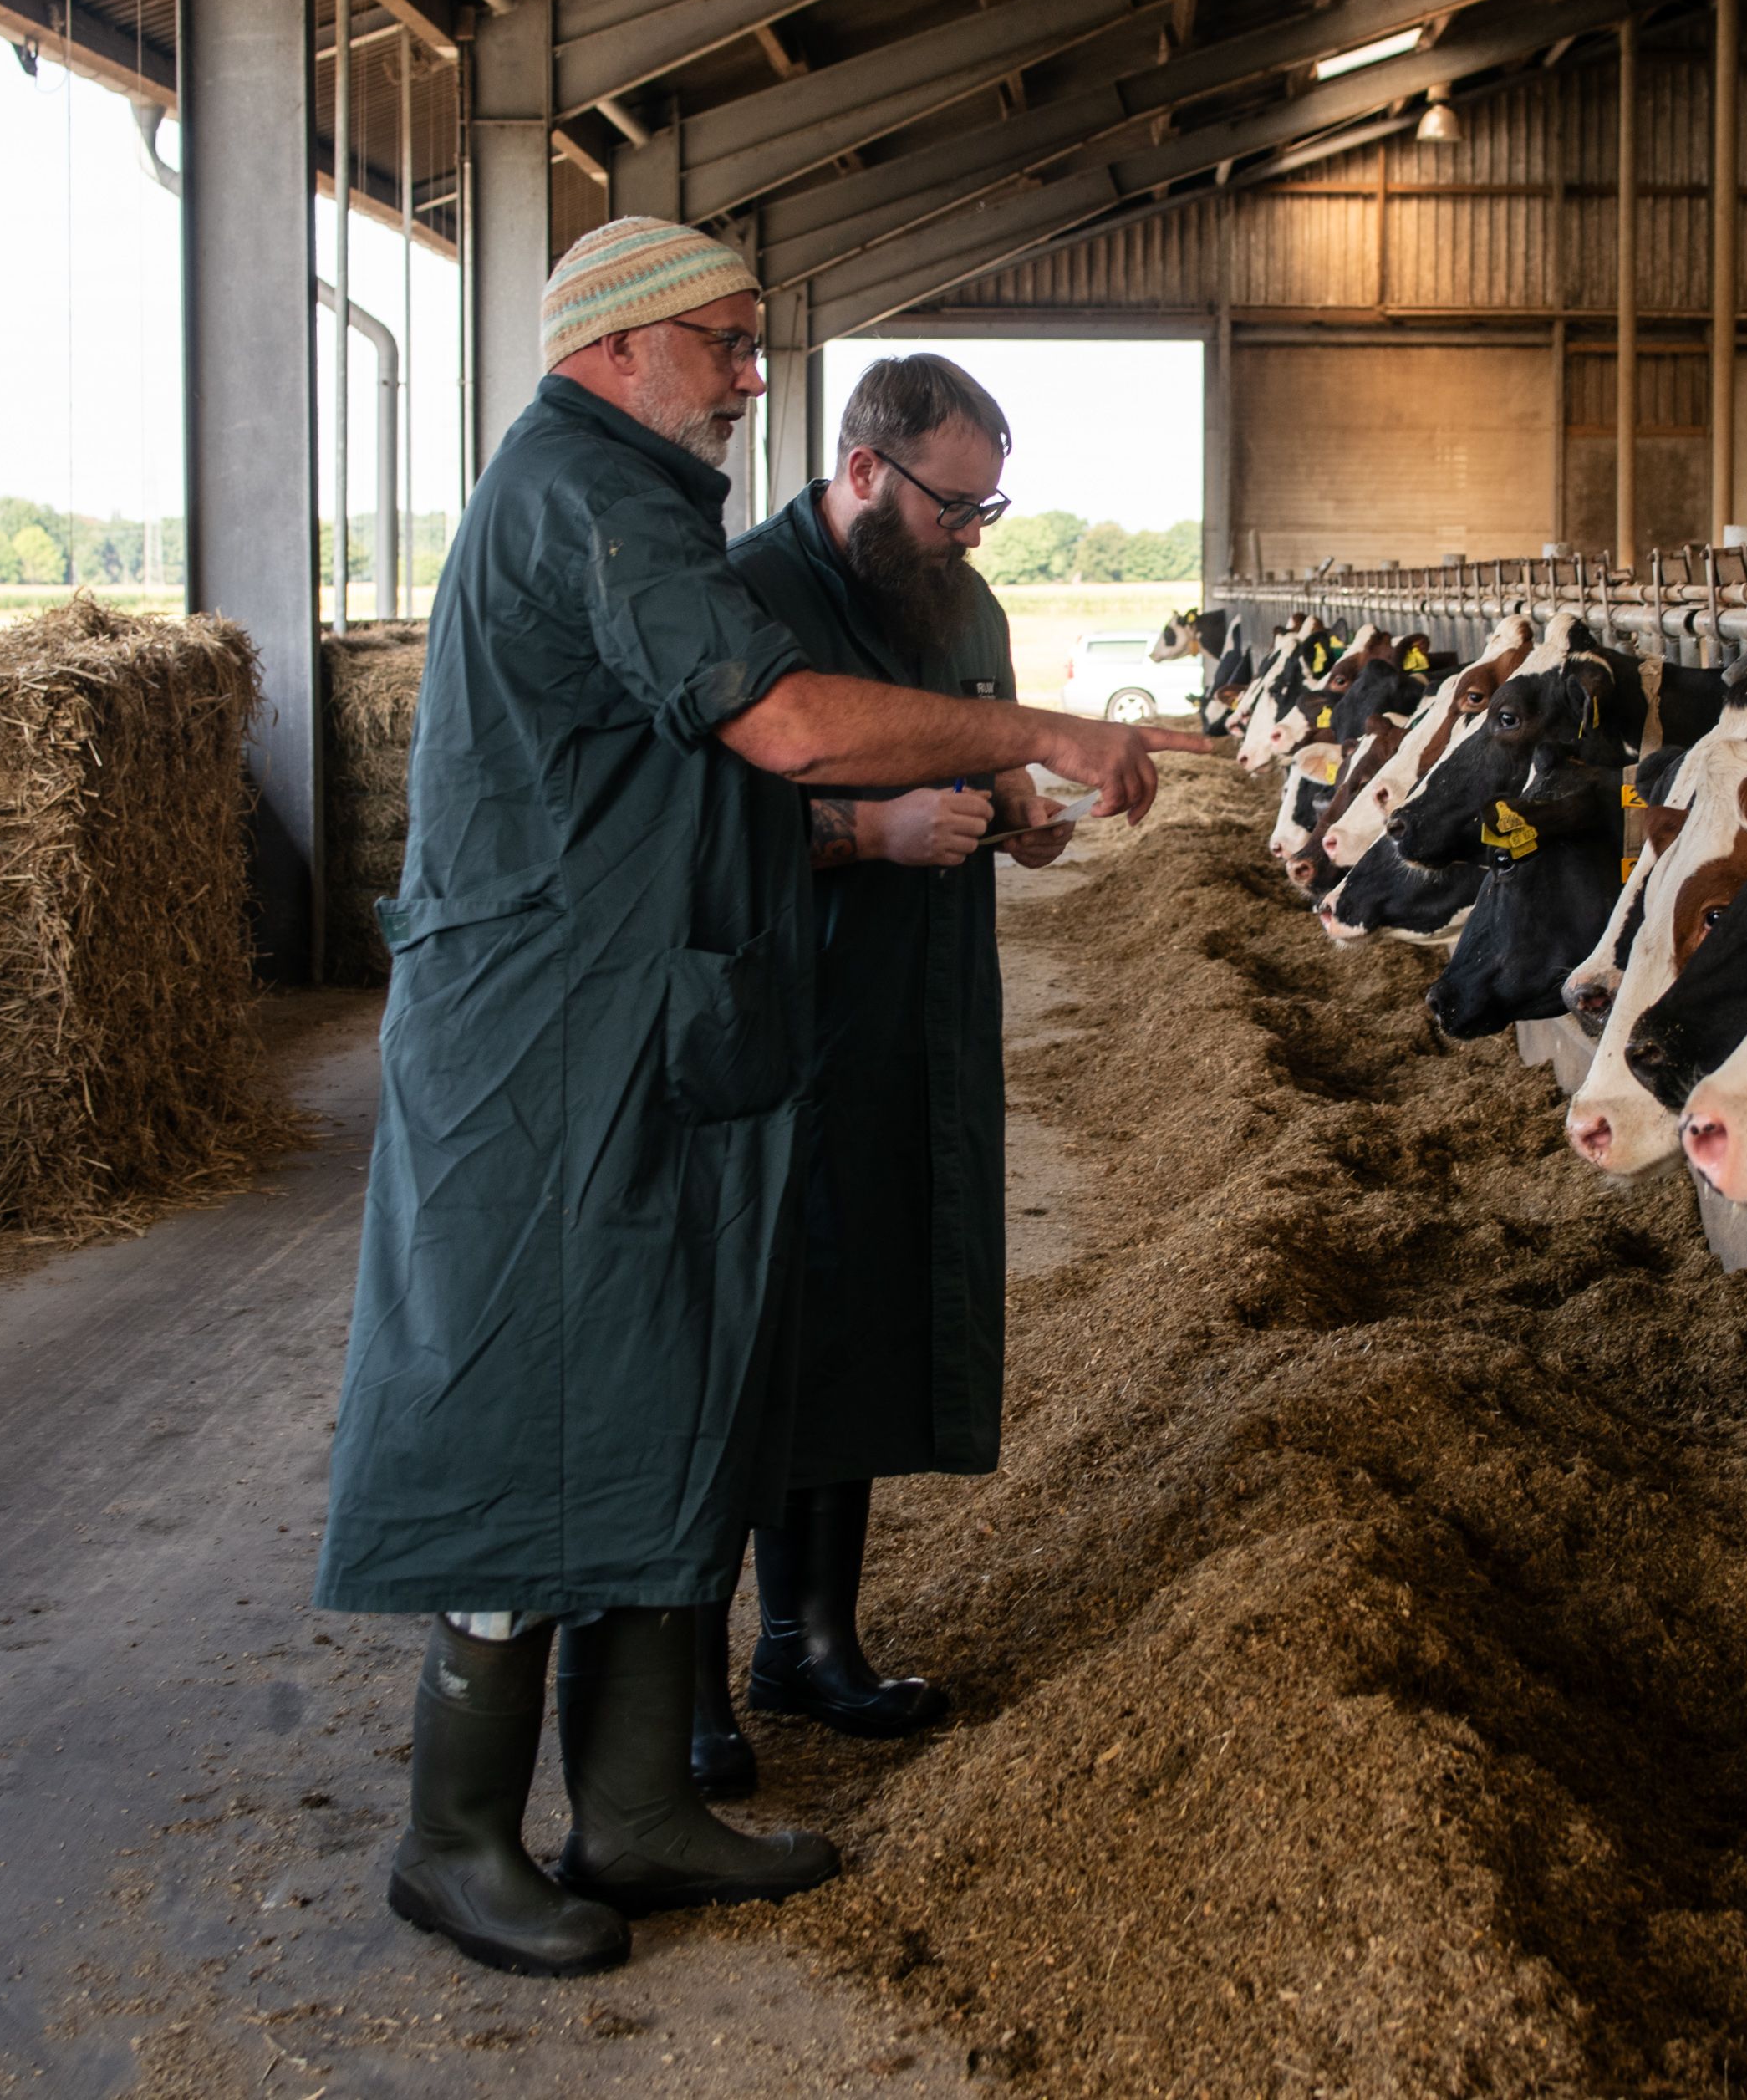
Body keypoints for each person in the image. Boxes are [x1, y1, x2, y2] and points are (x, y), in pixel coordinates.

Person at [313, 219, 1201, 1980]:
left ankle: (637, 1809)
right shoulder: (587, 492)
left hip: (639, 1019)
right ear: (616, 345)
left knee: (668, 1383)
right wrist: (1040, 734)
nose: (746, 374)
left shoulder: (637, 497)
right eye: (721, 341)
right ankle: (454, 1839)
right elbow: (784, 728)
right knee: (535, 1404)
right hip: (544, 1043)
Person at [702, 354, 1057, 1797]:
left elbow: (998, 759)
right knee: (741, 1342)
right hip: (771, 1029)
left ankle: (810, 1642)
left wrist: (1025, 811)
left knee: (856, 1322)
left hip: (916, 1017)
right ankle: (682, 1682)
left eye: (987, 510)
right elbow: (682, 838)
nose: (970, 535)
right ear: (862, 470)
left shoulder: (960, 603)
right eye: (953, 506)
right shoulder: (743, 599)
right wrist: (867, 834)